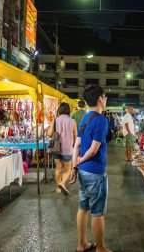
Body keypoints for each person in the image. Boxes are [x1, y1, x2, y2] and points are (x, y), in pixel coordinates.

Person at [70, 85, 112, 252]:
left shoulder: (84, 118)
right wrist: (79, 161)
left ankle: (82, 244)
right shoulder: (102, 120)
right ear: (100, 99)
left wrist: (75, 166)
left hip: (83, 172)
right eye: (105, 97)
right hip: (95, 172)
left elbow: (77, 145)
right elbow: (93, 149)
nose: (106, 100)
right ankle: (100, 248)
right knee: (97, 212)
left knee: (83, 207)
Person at [48, 102, 77, 196]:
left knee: (58, 168)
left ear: (59, 110)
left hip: (56, 146)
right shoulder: (73, 121)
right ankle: (62, 183)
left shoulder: (55, 120)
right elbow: (76, 136)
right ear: (69, 111)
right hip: (68, 148)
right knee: (68, 169)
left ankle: (57, 188)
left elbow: (49, 133)